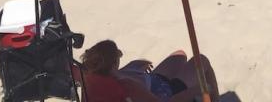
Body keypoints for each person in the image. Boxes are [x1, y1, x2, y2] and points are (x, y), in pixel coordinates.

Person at [80, 39, 219, 102]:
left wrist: (135, 67)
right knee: (201, 60)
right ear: (113, 63)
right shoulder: (127, 85)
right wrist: (198, 89)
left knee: (180, 55)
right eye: (118, 54)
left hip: (151, 81)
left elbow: (119, 73)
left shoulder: (91, 80)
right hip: (165, 91)